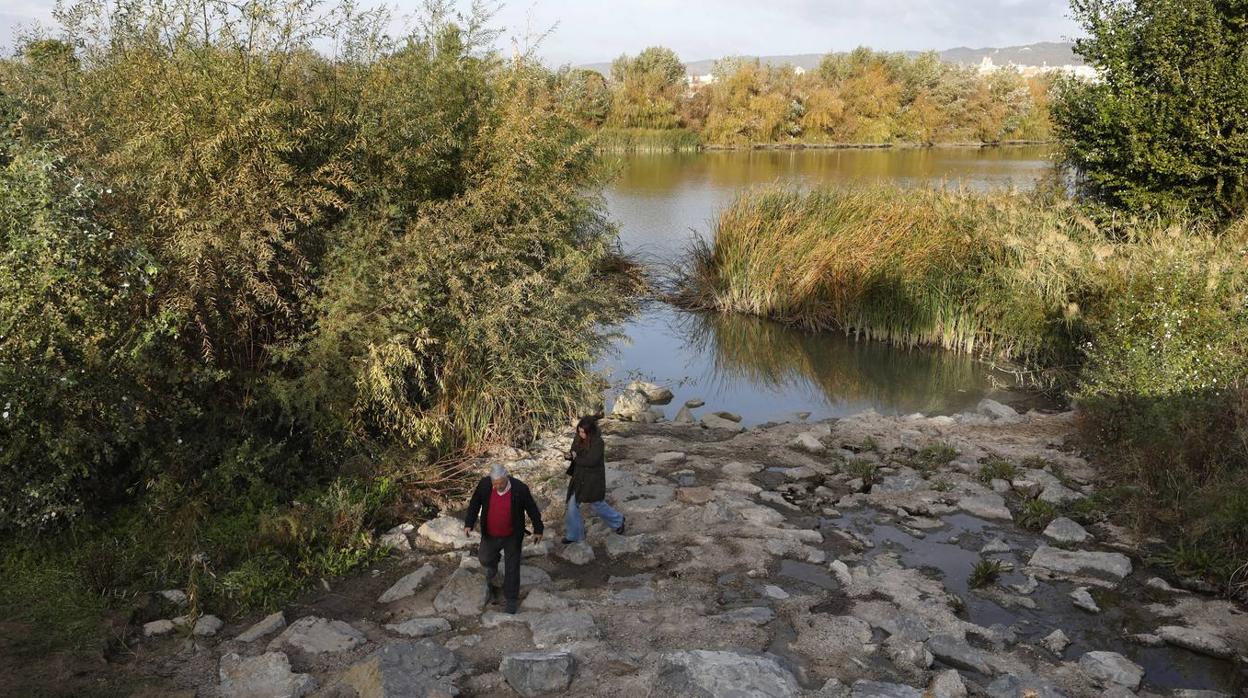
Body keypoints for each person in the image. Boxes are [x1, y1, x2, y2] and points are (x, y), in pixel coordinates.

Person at [463, 464, 543, 614]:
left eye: (500, 483)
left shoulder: (519, 488)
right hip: (490, 534)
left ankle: (511, 600)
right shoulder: (485, 485)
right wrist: (469, 523)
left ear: (507, 477)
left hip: (512, 535)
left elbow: (532, 508)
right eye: (495, 483)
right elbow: (474, 503)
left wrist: (538, 529)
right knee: (484, 558)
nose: (497, 486)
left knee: (512, 566)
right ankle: (493, 566)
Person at [563, 416, 626, 544]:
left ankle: (618, 521)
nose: (580, 434)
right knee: (572, 503)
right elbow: (574, 449)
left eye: (582, 432)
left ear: (589, 431)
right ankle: (574, 535)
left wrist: (575, 458)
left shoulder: (598, 442)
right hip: (579, 476)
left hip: (593, 479)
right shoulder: (578, 437)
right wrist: (570, 455)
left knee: (597, 504)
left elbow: (591, 461)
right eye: (579, 431)